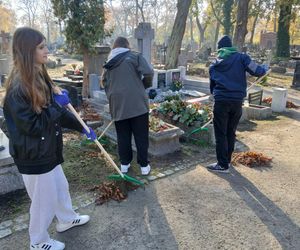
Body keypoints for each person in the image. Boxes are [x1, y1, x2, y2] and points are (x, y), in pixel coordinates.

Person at [3, 27, 97, 250]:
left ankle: (65, 219)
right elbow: (34, 126)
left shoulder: (39, 76)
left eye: (45, 45)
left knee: (60, 186)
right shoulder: (18, 88)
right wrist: (56, 105)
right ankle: (38, 240)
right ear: (27, 51)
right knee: (43, 200)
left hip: (47, 149)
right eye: (41, 47)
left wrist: (81, 127)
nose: (47, 51)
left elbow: (58, 113)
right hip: (33, 154)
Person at [207, 35, 268, 173]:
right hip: (237, 102)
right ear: (231, 46)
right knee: (231, 131)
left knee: (221, 133)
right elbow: (257, 71)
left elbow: (212, 87)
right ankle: (227, 161)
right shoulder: (242, 58)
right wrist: (264, 69)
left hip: (221, 101)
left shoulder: (214, 65)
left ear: (220, 49)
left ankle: (223, 165)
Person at [102, 37, 153, 175]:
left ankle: (124, 164)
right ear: (127, 45)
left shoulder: (108, 63)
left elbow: (104, 82)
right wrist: (143, 86)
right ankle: (143, 166)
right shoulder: (134, 56)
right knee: (141, 135)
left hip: (118, 104)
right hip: (137, 103)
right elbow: (148, 72)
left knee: (123, 135)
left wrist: (112, 96)